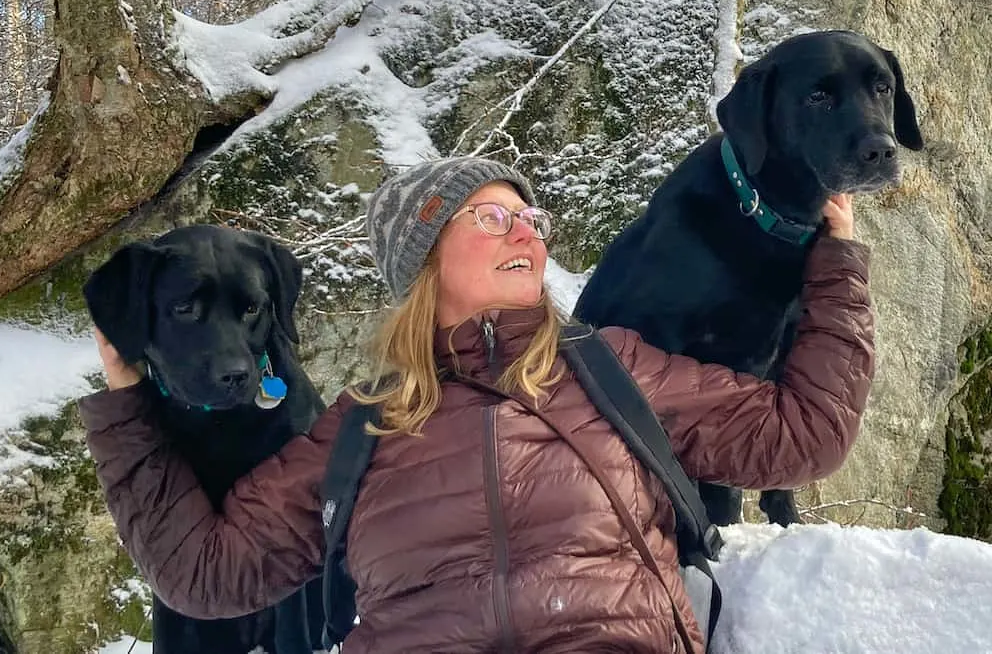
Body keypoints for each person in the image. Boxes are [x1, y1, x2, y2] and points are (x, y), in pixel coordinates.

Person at [78, 156, 873, 654]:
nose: (523, 230)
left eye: (531, 218)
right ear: (424, 259)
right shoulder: (361, 425)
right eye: (492, 216)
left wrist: (836, 262)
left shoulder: (610, 370)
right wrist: (126, 408)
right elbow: (206, 573)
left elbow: (806, 435)